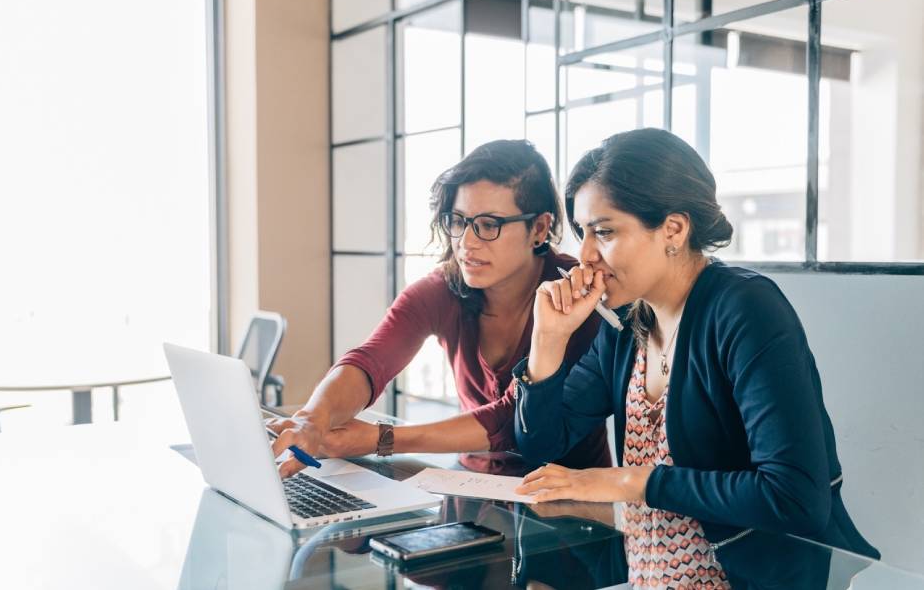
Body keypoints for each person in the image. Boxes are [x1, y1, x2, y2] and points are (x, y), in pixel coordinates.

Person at [512, 128, 879, 587]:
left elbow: (795, 498)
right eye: (583, 232)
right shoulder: (628, 324)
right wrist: (547, 342)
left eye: (604, 232)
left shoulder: (745, 310)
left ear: (674, 229)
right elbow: (541, 446)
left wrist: (633, 482)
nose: (584, 256)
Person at [270, 139, 610, 478]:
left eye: (489, 225)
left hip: (568, 507)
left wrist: (382, 439)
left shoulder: (576, 295)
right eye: (458, 221)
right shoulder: (445, 288)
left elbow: (510, 420)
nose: (466, 242)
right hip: (471, 486)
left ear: (538, 228)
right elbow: (370, 360)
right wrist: (313, 419)